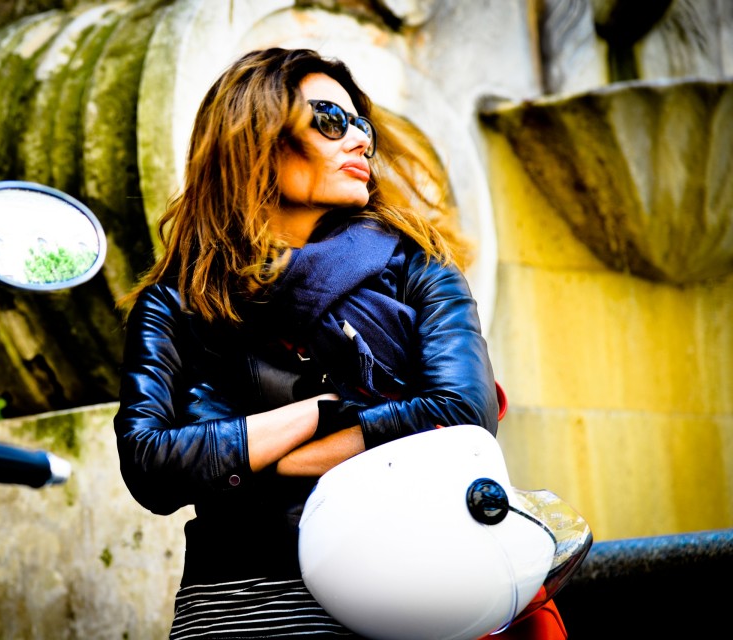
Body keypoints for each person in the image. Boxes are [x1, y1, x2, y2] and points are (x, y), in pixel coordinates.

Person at [113, 47, 509, 638]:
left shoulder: (418, 269)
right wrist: (321, 413)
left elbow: (463, 413)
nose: (360, 140)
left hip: (403, 588)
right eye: (330, 120)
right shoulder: (177, 303)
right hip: (237, 605)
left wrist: (273, 459)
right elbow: (149, 466)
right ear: (257, 137)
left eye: (362, 125)